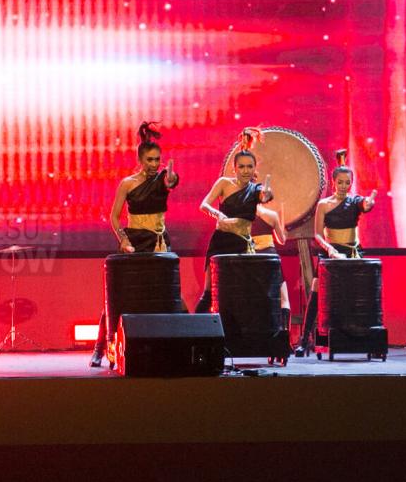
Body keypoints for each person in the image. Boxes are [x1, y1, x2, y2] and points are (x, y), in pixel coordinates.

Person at [90, 122, 179, 368]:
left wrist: (171, 179)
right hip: (136, 241)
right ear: (140, 160)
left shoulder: (163, 178)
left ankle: (164, 347)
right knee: (120, 296)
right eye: (149, 160)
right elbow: (114, 217)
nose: (154, 164)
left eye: (157, 160)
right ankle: (101, 347)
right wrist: (124, 240)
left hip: (160, 242)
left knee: (164, 294)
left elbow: (170, 181)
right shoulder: (128, 183)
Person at [295, 149, 377, 355]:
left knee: (360, 293)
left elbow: (365, 205)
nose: (343, 186)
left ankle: (366, 338)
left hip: (352, 252)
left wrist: (368, 204)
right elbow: (317, 234)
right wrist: (330, 249)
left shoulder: (355, 201)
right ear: (333, 183)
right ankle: (304, 340)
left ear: (351, 183)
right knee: (316, 290)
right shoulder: (324, 205)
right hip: (330, 252)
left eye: (347, 183)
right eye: (340, 182)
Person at [193, 128, 274, 313]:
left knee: (240, 293)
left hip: (242, 245)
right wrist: (218, 215)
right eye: (242, 167)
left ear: (254, 169)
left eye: (249, 167)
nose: (246, 171)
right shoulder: (224, 183)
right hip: (220, 242)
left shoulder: (256, 189)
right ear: (234, 168)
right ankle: (194, 330)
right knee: (209, 292)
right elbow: (204, 205)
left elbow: (264, 196)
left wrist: (267, 195)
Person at [252, 204, 290, 329]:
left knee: (255, 298)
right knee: (283, 298)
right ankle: (284, 334)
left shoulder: (244, 217)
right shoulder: (271, 215)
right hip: (270, 256)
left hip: (252, 257)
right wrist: (284, 233)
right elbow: (282, 240)